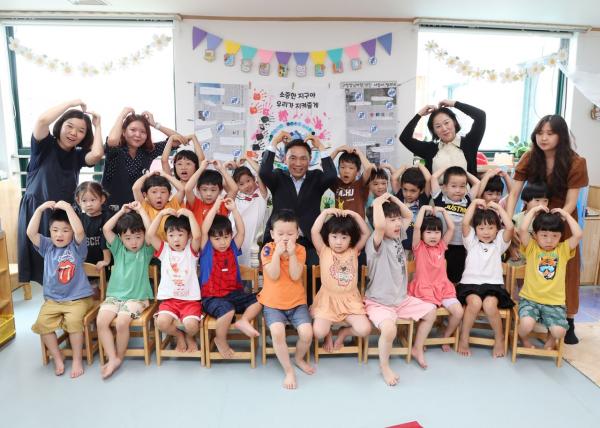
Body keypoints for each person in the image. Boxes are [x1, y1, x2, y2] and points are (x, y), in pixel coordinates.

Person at [506, 115, 588, 344]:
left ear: (561, 136)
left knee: (566, 268)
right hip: (532, 219)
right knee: (533, 265)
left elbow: (571, 201)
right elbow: (514, 192)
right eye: (540, 132)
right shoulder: (529, 157)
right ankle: (529, 311)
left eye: (550, 133)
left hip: (560, 221)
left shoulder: (576, 162)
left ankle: (568, 319)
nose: (543, 137)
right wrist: (510, 221)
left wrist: (556, 222)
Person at [18, 100, 104, 285]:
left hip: (63, 213)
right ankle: (51, 300)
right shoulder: (44, 144)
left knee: (64, 260)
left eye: (81, 130)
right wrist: (72, 103)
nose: (74, 133)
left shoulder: (78, 154)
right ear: (61, 125)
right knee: (43, 263)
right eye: (69, 126)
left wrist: (97, 125)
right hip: (38, 209)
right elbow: (42, 121)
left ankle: (66, 296)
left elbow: (96, 154)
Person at [364, 193, 436, 385]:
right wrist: (378, 201)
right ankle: (384, 366)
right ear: (379, 222)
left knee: (431, 312)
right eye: (391, 220)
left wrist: (393, 200)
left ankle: (417, 348)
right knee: (389, 330)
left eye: (397, 220)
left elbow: (409, 217)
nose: (397, 224)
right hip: (379, 303)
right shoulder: (374, 243)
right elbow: (379, 226)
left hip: (401, 300)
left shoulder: (397, 236)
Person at [259, 131, 337, 298]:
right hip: (280, 238)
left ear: (310, 161)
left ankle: (307, 309)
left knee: (314, 270)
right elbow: (264, 172)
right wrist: (274, 141)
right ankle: (278, 309)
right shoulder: (278, 177)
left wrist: (320, 147)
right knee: (278, 274)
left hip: (309, 240)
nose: (298, 163)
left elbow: (331, 175)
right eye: (292, 158)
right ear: (284, 159)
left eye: (303, 158)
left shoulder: (316, 177)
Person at [28, 201, 96, 378]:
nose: (60, 234)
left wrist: (67, 208)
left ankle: (76, 359)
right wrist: (40, 209)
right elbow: (30, 232)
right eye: (55, 230)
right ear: (50, 232)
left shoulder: (76, 247)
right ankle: (57, 357)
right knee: (42, 324)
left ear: (71, 233)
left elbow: (80, 232)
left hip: (77, 299)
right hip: (53, 300)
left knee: (74, 323)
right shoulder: (47, 246)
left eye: (65, 230)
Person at [96, 202, 155, 379]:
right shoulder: (118, 249)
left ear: (143, 236)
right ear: (121, 238)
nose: (133, 242)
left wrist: (141, 210)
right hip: (114, 297)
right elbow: (106, 229)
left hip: (138, 298)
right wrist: (122, 211)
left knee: (122, 322)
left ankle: (118, 358)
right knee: (101, 322)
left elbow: (151, 231)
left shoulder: (145, 250)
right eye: (128, 238)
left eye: (137, 237)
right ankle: (113, 358)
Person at [199, 196, 262, 358]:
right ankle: (221, 340)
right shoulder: (206, 250)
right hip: (212, 298)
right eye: (217, 238)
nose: (222, 242)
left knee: (262, 298)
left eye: (226, 237)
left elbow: (242, 231)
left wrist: (234, 209)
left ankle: (244, 320)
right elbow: (204, 230)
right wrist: (215, 207)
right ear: (210, 239)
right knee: (227, 311)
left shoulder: (233, 248)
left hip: (234, 294)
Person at [258, 209, 314, 389]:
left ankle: (298, 358)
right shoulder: (267, 249)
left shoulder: (300, 250)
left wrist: (290, 255)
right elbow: (273, 275)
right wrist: (276, 254)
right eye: (280, 234)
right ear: (272, 234)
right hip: (273, 304)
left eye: (290, 234)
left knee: (307, 333)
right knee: (277, 333)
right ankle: (288, 370)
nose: (285, 238)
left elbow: (296, 275)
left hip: (297, 303)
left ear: (297, 234)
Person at [516, 206, 583, 350]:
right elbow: (522, 230)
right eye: (544, 235)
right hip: (530, 300)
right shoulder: (532, 247)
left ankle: (551, 339)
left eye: (554, 236)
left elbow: (578, 235)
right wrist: (533, 211)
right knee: (526, 326)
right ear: (535, 235)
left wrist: (565, 214)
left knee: (559, 332)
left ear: (560, 236)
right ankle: (524, 339)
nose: (549, 240)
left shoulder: (563, 249)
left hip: (554, 303)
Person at [456, 199, 514, 358]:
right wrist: (474, 203)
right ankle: (464, 337)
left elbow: (510, 227)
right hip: (470, 285)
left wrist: (497, 208)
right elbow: (465, 223)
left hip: (493, 286)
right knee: (474, 303)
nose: (486, 232)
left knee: (489, 305)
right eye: (481, 228)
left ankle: (500, 339)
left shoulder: (499, 243)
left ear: (497, 229)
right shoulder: (471, 241)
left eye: (491, 227)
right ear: (476, 229)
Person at [310, 208, 371, 353]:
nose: (339, 242)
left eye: (344, 238)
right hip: (327, 300)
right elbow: (314, 231)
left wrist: (354, 214)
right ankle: (328, 334)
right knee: (318, 332)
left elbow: (366, 233)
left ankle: (343, 333)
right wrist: (325, 213)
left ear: (351, 239)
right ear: (328, 237)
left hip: (350, 300)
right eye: (334, 237)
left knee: (365, 329)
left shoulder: (353, 251)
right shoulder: (324, 250)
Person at [409, 205, 463, 366]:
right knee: (430, 311)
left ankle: (444, 336)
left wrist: (444, 212)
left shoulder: (441, 246)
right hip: (424, 289)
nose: (433, 236)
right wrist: (424, 208)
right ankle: (418, 344)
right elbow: (417, 226)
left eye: (437, 232)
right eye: (429, 232)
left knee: (458, 312)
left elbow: (452, 227)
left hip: (443, 288)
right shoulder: (418, 247)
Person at [102, 107, 186, 209]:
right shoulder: (115, 150)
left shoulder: (148, 151)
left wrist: (155, 125)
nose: (138, 135)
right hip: (112, 211)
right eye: (133, 130)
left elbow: (179, 140)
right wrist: (122, 115)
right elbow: (112, 140)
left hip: (139, 210)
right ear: (123, 132)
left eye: (143, 132)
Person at [147, 208, 202, 353]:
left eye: (180, 234)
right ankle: (179, 336)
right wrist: (160, 215)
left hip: (190, 300)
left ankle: (190, 337)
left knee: (191, 325)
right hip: (169, 301)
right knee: (162, 323)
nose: (176, 239)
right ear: (166, 237)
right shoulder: (164, 250)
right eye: (171, 235)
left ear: (188, 235)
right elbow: (150, 235)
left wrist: (190, 214)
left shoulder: (190, 251)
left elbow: (197, 237)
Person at [399, 100, 486, 176]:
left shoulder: (470, 143)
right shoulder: (430, 149)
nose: (444, 129)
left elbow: (480, 116)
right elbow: (404, 138)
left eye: (447, 123)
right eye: (438, 126)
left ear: (454, 122)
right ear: (434, 131)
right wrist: (419, 114)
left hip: (467, 195)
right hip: (437, 195)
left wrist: (454, 104)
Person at [431, 166, 480, 283]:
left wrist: (464, 171)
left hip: (460, 245)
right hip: (442, 245)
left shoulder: (467, 200)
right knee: (439, 275)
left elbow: (477, 183)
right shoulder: (440, 199)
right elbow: (433, 178)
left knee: (456, 276)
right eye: (453, 186)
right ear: (445, 187)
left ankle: (453, 297)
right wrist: (447, 167)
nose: (458, 190)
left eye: (462, 186)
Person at [226, 157, 269, 267]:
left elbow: (261, 172)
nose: (246, 185)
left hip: (252, 240)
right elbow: (224, 183)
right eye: (241, 184)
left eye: (248, 181)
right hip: (234, 237)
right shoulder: (236, 194)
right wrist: (225, 167)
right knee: (233, 266)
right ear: (237, 186)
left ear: (254, 179)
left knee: (250, 269)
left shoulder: (261, 194)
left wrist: (247, 158)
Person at [390, 164, 432, 256]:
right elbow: (394, 178)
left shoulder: (423, 199)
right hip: (398, 246)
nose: (408, 194)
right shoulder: (400, 196)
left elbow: (428, 179)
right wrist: (405, 167)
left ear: (421, 190)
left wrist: (419, 166)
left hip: (416, 247)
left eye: (413, 191)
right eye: (405, 189)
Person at [132, 171, 184, 241]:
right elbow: (135, 188)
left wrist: (165, 175)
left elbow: (182, 189)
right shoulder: (144, 207)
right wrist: (148, 175)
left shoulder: (172, 204)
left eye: (163, 192)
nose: (159, 196)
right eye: (154, 192)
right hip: (151, 248)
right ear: (145, 195)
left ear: (169, 194)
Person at [73, 181, 113, 272]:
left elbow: (105, 240)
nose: (88, 204)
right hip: (83, 263)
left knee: (102, 284)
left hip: (103, 262)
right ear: (78, 201)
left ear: (102, 199)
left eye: (93, 200)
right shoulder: (79, 218)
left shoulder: (107, 217)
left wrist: (106, 260)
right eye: (84, 201)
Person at [508, 182, 550, 266]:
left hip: (538, 260)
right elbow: (509, 237)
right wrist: (511, 249)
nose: (541, 204)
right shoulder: (516, 218)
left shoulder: (547, 219)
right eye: (537, 200)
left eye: (545, 201)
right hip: (518, 258)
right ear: (525, 201)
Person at [185, 159, 238, 225]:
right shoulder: (196, 204)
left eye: (213, 190)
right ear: (198, 190)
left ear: (220, 191)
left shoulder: (223, 204)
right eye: (204, 189)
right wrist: (201, 168)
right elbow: (187, 189)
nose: (209, 194)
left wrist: (221, 169)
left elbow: (234, 189)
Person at [329, 145, 375, 218]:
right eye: (342, 167)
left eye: (351, 168)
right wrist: (337, 150)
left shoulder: (361, 184)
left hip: (356, 228)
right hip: (340, 227)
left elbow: (369, 168)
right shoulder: (336, 184)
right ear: (338, 169)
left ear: (357, 171)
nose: (346, 171)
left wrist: (359, 153)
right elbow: (325, 166)